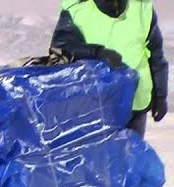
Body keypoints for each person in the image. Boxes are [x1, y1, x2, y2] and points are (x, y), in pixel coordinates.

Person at [51, 0, 167, 137]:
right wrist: (97, 52)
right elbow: (61, 48)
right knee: (101, 156)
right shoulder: (77, 8)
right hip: (95, 106)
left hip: (135, 103)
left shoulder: (141, 7)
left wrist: (160, 96)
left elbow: (155, 55)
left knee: (130, 156)